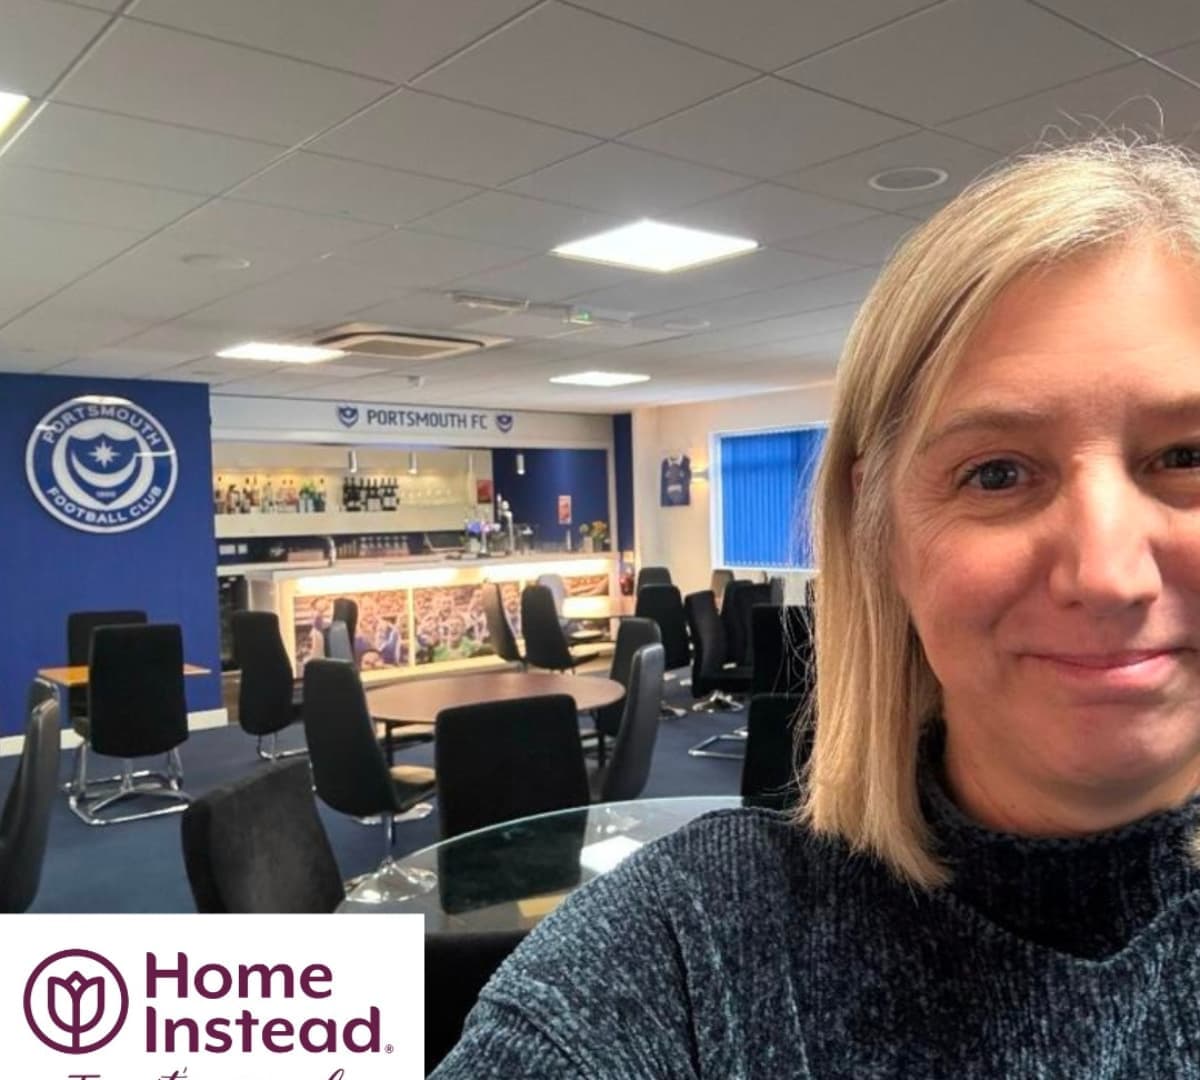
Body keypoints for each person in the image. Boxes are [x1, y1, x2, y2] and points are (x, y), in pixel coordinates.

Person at [431, 138, 1200, 1077]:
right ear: (880, 531)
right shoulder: (683, 959)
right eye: (997, 473)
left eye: (1187, 457)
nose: (1110, 575)